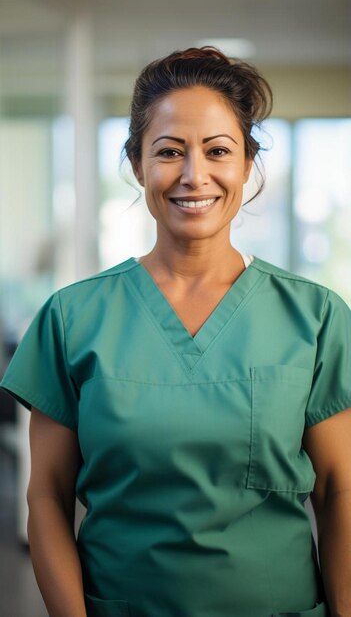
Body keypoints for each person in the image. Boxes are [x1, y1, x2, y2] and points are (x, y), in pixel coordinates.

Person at [1, 46, 351, 617]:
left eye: (218, 151)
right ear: (138, 165)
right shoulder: (72, 318)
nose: (194, 175)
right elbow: (46, 496)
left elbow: (341, 494)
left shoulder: (316, 317)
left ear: (246, 165)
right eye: (169, 151)